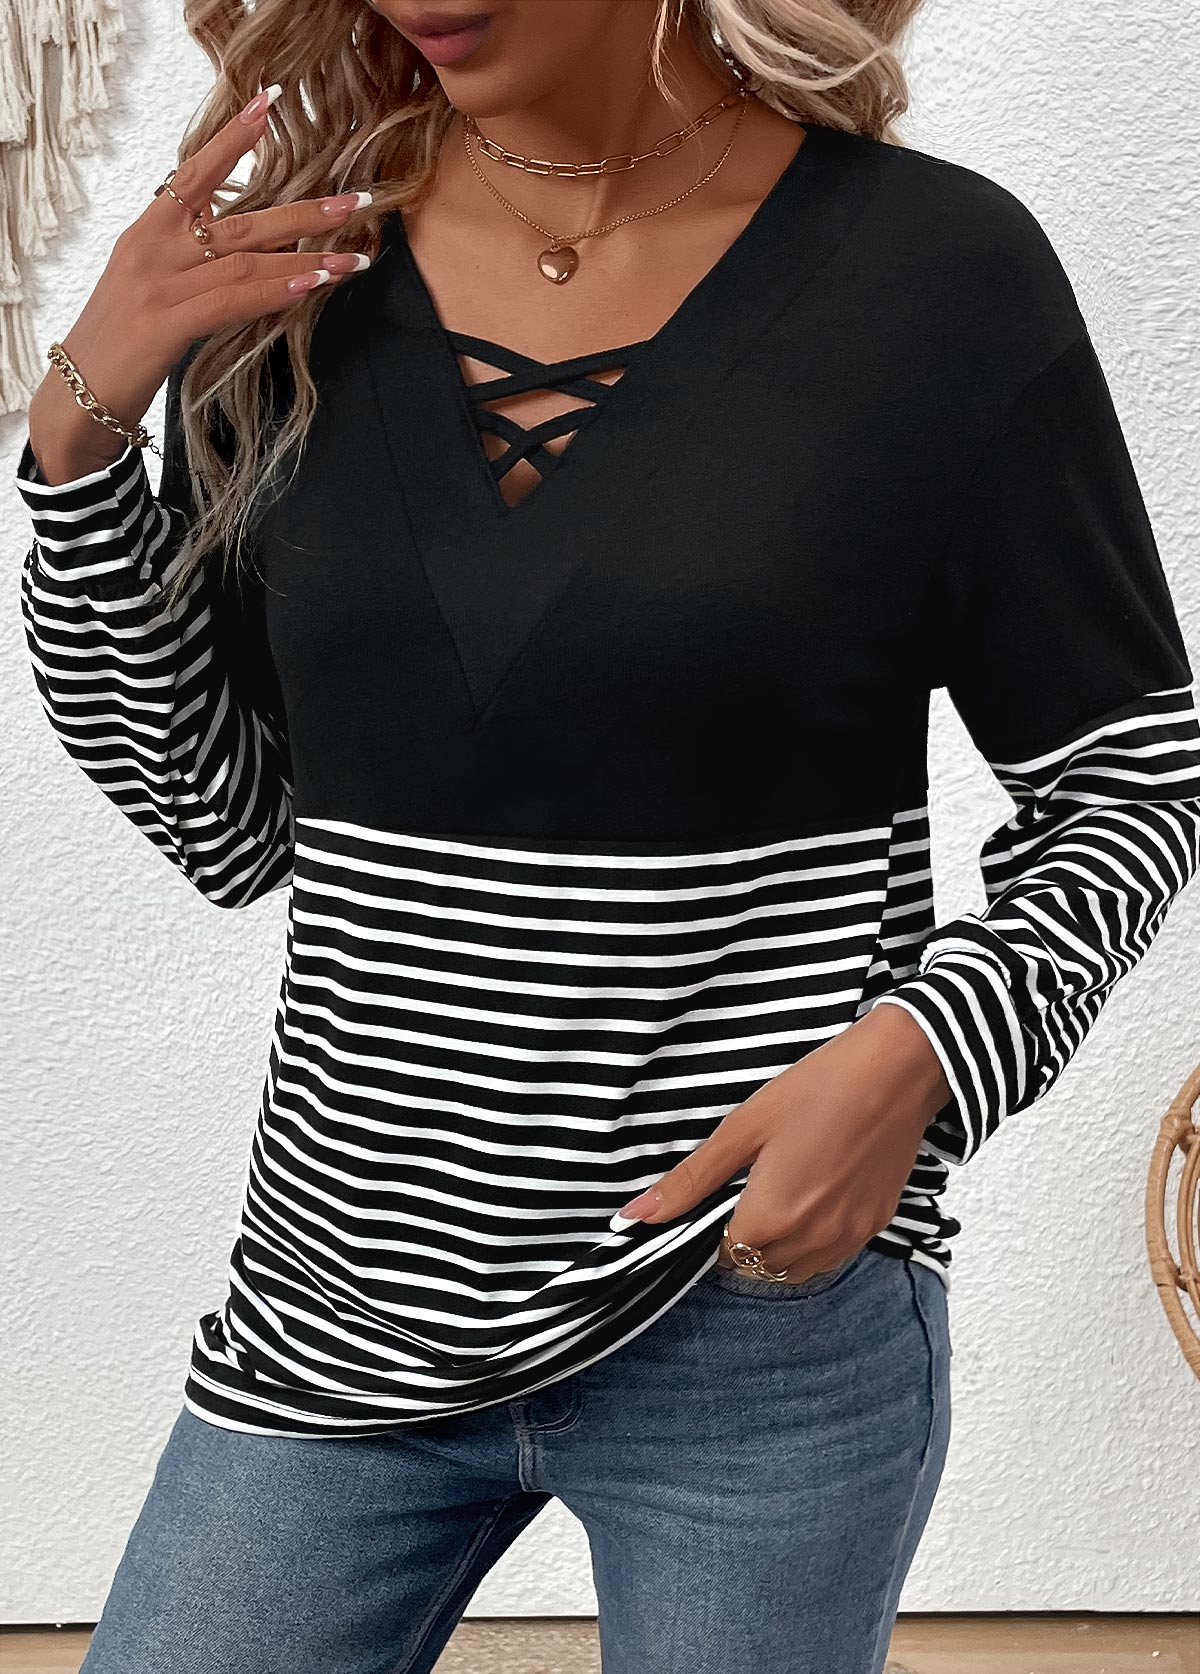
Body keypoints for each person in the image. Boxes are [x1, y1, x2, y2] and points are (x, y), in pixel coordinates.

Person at [16, 2, 1200, 1670]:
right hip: (341, 1298)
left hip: (754, 1315)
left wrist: (924, 1053)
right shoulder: (294, 276)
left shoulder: (934, 276)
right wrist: (78, 443)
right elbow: (227, 823)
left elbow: (1127, 772)